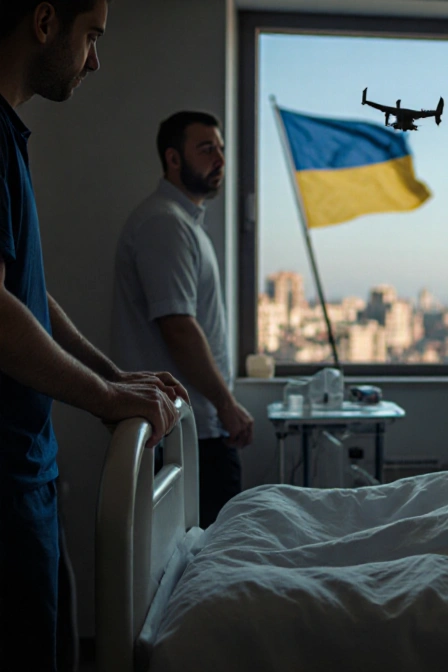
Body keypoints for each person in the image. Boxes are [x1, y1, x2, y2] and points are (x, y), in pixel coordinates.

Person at [0, 1, 187, 668]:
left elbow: (28, 297)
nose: (96, 60)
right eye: (91, 37)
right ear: (44, 22)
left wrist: (113, 375)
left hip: (30, 468)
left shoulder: (9, 138)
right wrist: (105, 401)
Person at [111, 111, 253, 528]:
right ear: (173, 159)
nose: (220, 159)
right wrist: (226, 405)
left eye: (222, 148)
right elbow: (177, 327)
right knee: (207, 571)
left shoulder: (183, 224)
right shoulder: (164, 224)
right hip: (181, 431)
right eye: (206, 148)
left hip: (186, 426)